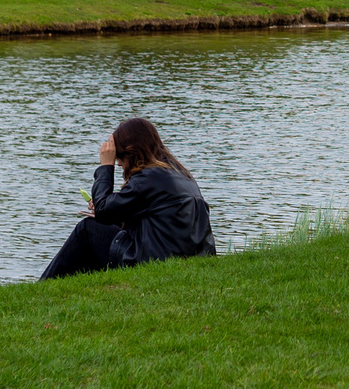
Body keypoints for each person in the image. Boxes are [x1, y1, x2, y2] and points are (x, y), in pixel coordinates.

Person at [40, 116, 217, 280]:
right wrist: (113, 215)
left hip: (153, 260)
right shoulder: (180, 175)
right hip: (186, 256)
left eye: (120, 159)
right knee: (104, 228)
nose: (119, 164)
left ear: (131, 153)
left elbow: (103, 210)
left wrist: (106, 167)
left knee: (87, 229)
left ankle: (44, 286)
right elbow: (159, 224)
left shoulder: (148, 179)